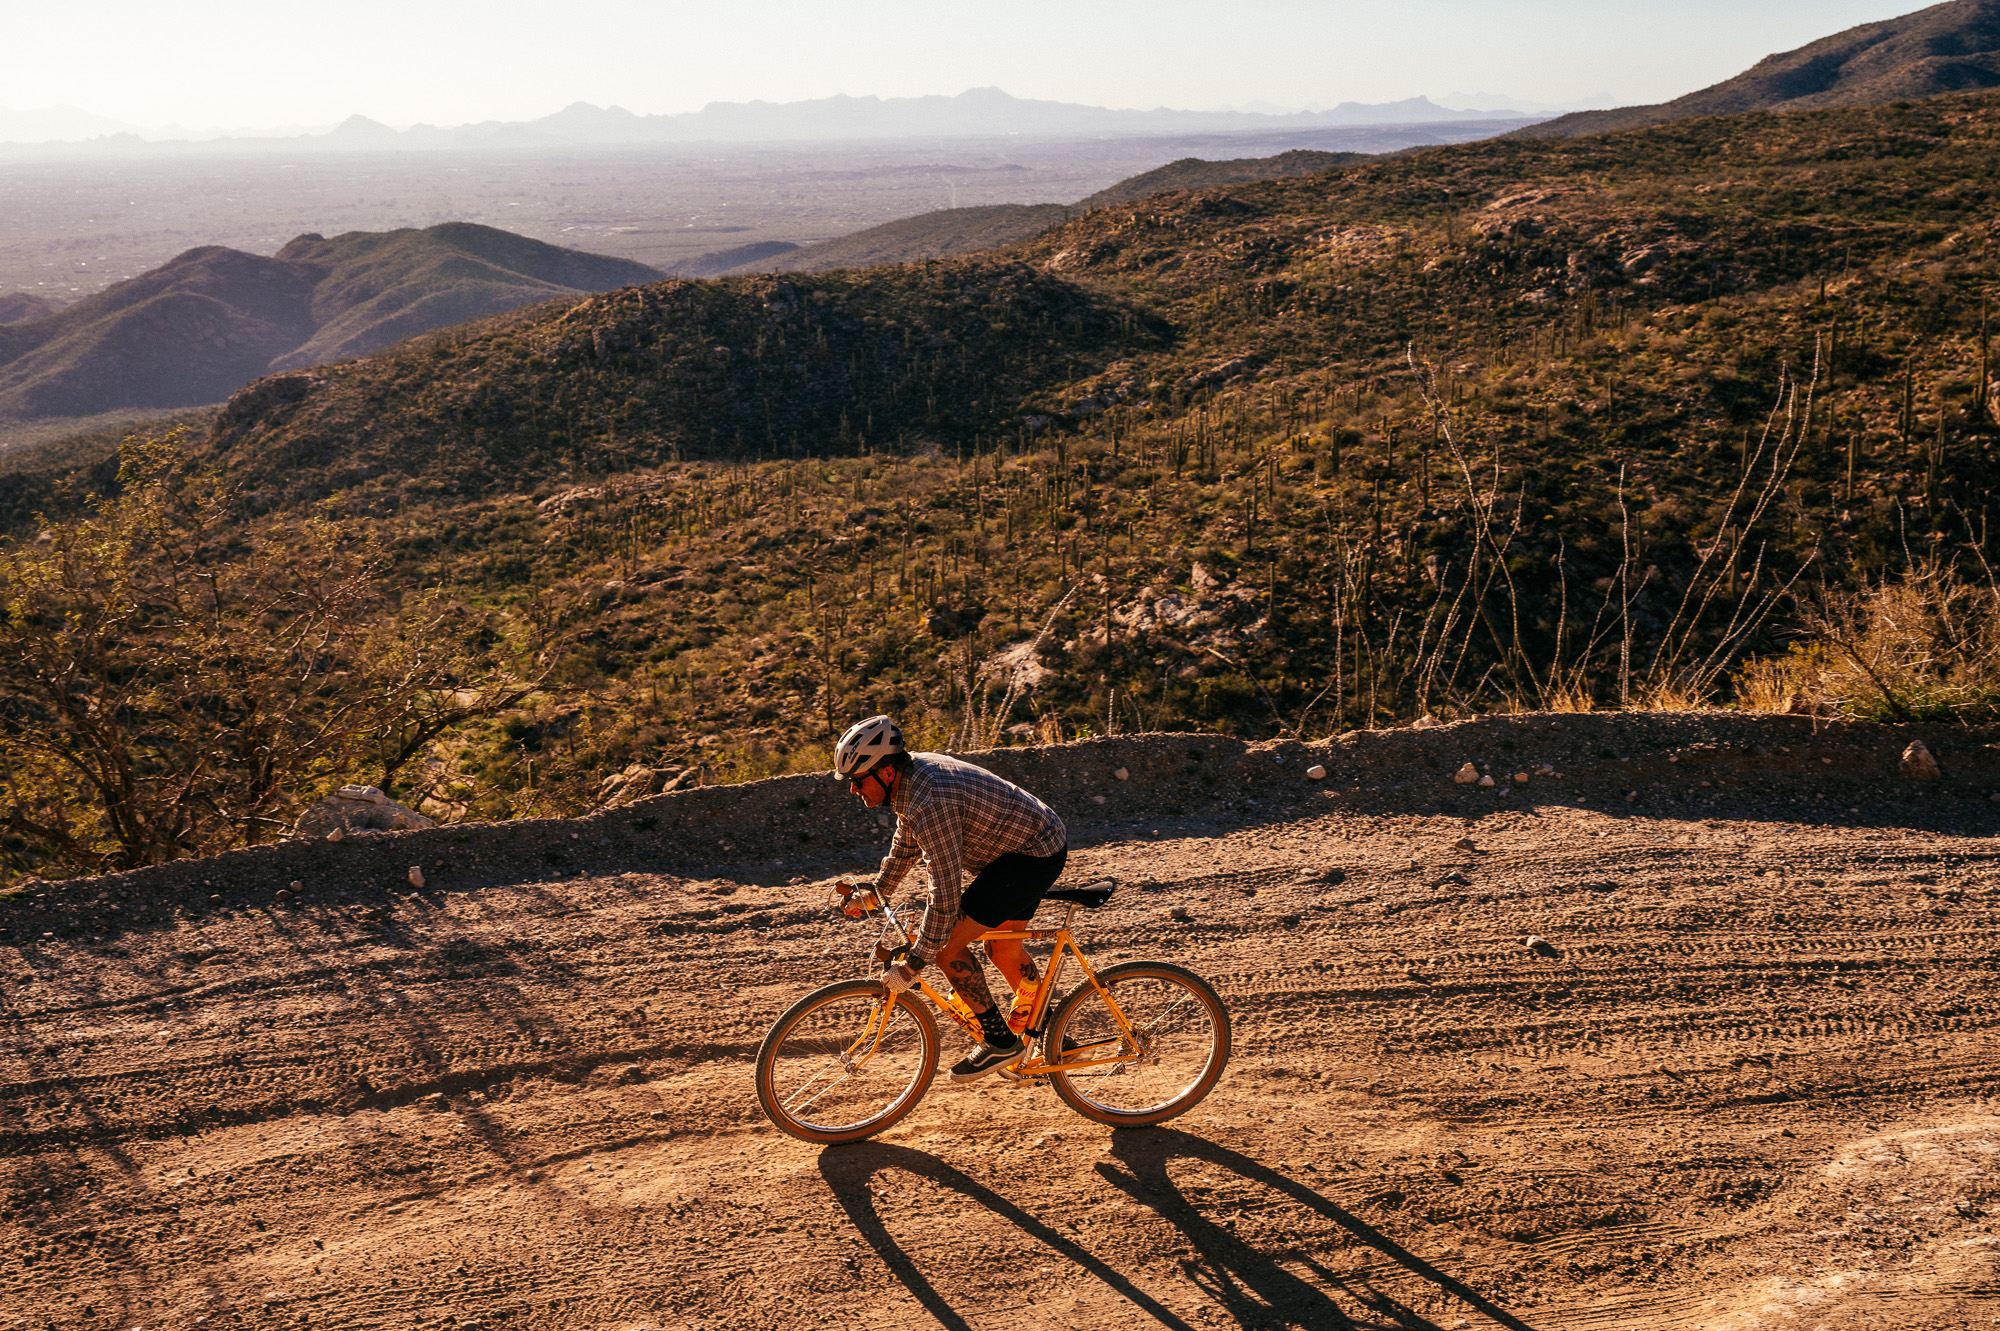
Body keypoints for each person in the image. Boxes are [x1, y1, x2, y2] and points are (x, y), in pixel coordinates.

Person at [833, 714, 1068, 1082]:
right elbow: (907, 842)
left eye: (857, 780)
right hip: (1025, 845)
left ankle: (1000, 1041)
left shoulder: (930, 800)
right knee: (1002, 950)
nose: (852, 789)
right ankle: (1058, 1039)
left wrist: (914, 964)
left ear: (887, 772)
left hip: (1030, 855)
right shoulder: (911, 780)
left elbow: (944, 893)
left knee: (945, 947)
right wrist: (878, 891)